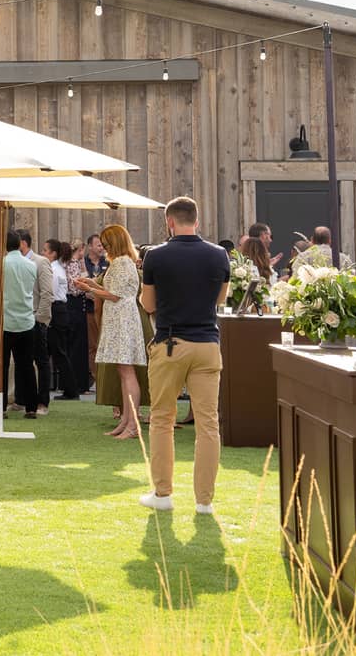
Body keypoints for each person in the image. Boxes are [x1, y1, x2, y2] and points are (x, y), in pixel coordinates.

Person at [137, 196, 229, 514]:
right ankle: (204, 501)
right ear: (197, 220)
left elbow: (148, 305)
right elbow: (220, 299)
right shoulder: (219, 255)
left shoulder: (156, 257)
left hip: (171, 343)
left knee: (162, 419)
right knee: (208, 424)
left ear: (169, 222)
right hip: (207, 344)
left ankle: (163, 494)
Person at [75, 225, 146, 440]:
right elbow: (112, 289)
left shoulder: (123, 262)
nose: (103, 246)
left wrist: (90, 289)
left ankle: (132, 424)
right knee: (123, 371)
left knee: (127, 371)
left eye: (106, 242)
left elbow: (114, 295)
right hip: (119, 318)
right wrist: (91, 283)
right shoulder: (121, 262)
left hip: (122, 318)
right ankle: (126, 420)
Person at [0, 230, 39, 417]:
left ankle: (0, 408)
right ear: (19, 244)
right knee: (27, 365)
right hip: (26, 320)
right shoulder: (31, 265)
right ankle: (31, 407)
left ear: (4, 245)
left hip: (3, 321)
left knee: (1, 365)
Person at [18, 230, 54, 415]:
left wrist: (40, 318)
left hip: (36, 318)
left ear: (23, 243)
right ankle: (22, 400)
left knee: (41, 360)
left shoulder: (41, 262)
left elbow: (47, 292)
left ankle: (43, 402)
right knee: (22, 361)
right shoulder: (15, 262)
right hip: (20, 319)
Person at [43, 239, 80, 401]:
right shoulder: (57, 268)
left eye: (46, 250)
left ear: (53, 253)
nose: (43, 253)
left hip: (56, 310)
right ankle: (68, 388)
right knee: (57, 351)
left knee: (59, 352)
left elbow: (51, 293)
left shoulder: (53, 270)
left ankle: (71, 390)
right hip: (60, 310)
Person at [63, 239, 92, 396]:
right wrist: (87, 289)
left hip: (76, 305)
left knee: (77, 344)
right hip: (75, 304)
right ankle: (79, 383)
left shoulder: (71, 264)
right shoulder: (73, 264)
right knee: (77, 345)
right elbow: (75, 287)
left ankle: (80, 383)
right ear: (80, 249)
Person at [84, 234, 109, 363]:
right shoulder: (83, 262)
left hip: (107, 308)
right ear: (90, 247)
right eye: (98, 245)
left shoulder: (108, 262)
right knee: (93, 344)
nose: (101, 248)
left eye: (103, 245)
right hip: (90, 309)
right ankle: (95, 376)